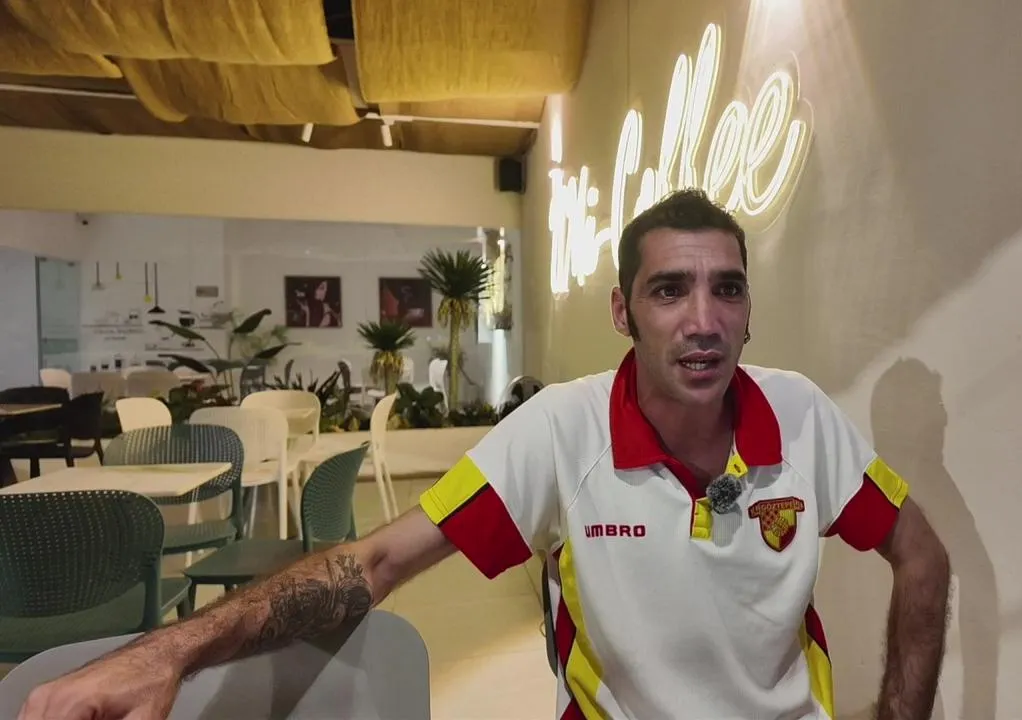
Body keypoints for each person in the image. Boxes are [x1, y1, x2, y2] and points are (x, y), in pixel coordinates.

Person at [19, 189, 951, 720]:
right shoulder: (562, 431)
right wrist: (166, 652)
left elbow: (922, 554)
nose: (703, 320)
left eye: (727, 290)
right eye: (670, 290)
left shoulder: (802, 415)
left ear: (749, 308)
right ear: (624, 311)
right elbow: (373, 563)